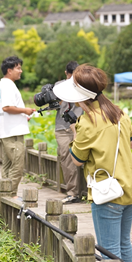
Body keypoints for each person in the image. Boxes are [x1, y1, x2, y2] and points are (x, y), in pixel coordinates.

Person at [53, 64, 132, 262]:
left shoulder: (87, 123)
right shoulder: (118, 112)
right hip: (131, 187)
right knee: (123, 244)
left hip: (109, 193)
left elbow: (77, 160)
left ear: (80, 95)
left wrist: (74, 130)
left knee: (109, 250)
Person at [0, 56, 37, 199]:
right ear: (9, 70)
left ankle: (5, 194)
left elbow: (5, 109)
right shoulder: (7, 84)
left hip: (7, 129)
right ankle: (10, 195)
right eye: (18, 68)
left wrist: (24, 113)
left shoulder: (4, 84)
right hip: (12, 132)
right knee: (17, 165)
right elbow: (7, 107)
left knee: (7, 166)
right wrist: (24, 110)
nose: (21, 71)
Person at [56, 61, 84, 204]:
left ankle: (88, 192)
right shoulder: (58, 87)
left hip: (82, 126)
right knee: (67, 160)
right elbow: (51, 105)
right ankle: (73, 193)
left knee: (87, 157)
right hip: (63, 128)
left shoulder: (84, 85)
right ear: (66, 74)